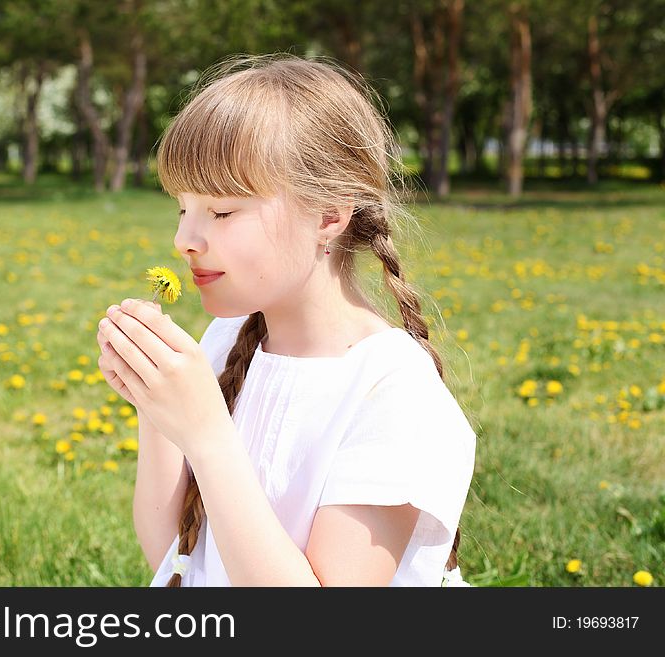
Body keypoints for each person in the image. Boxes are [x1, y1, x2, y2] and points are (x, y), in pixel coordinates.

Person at [96, 53, 477, 587]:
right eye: (183, 209)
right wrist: (156, 408)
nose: (185, 239)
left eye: (222, 211)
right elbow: (176, 558)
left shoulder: (394, 393)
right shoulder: (229, 339)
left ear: (328, 214)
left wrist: (207, 435)